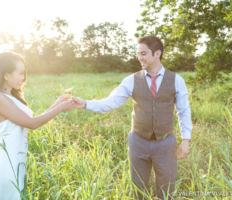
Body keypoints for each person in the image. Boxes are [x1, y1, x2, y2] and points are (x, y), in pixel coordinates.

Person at [72, 35, 193, 200]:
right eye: (138, 53)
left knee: (166, 192)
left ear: (157, 54)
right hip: (138, 141)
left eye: (143, 53)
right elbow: (110, 102)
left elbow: (184, 111)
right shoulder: (131, 80)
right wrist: (85, 103)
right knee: (138, 191)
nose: (139, 57)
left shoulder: (176, 80)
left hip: (165, 143)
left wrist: (186, 140)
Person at [0, 52, 74, 200]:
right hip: (5, 164)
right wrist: (60, 108)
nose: (23, 78)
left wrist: (57, 103)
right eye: (20, 73)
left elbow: (29, 120)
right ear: (6, 75)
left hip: (16, 161)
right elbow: (32, 124)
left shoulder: (11, 97)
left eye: (24, 73)